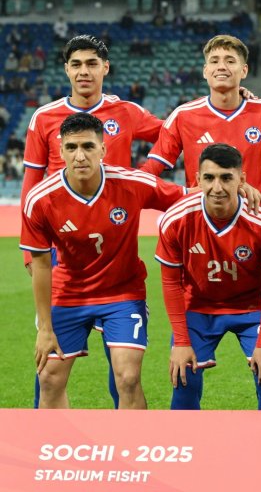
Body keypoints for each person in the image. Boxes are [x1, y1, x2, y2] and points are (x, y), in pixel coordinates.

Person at [21, 34, 164, 408]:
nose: (84, 71)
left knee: (123, 368)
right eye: (76, 64)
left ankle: (123, 447)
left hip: (115, 239)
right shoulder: (44, 118)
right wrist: (31, 253)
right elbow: (31, 185)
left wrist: (147, 172)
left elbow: (175, 134)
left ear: (105, 68)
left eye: (91, 64)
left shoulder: (126, 112)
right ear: (66, 69)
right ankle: (48, 446)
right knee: (50, 367)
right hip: (62, 249)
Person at [20, 112, 186, 409]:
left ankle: (132, 450)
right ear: (60, 152)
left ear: (103, 150)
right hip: (69, 294)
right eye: (71, 148)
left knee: (128, 377)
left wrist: (236, 190)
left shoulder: (132, 183)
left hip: (122, 293)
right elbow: (42, 265)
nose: (80, 156)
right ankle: (53, 452)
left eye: (88, 147)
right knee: (49, 378)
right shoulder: (41, 199)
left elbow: (188, 199)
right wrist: (45, 329)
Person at [155, 144, 261, 410]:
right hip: (198, 308)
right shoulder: (176, 220)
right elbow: (170, 283)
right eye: (209, 178)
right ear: (197, 179)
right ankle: (189, 448)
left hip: (253, 308)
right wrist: (181, 342)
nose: (217, 187)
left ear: (242, 179)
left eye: (226, 177)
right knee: (183, 380)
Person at [143, 34, 261, 197]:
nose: (221, 67)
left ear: (244, 71)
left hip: (254, 220)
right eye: (214, 61)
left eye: (230, 61)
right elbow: (149, 172)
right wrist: (185, 193)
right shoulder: (183, 116)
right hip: (201, 221)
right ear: (205, 71)